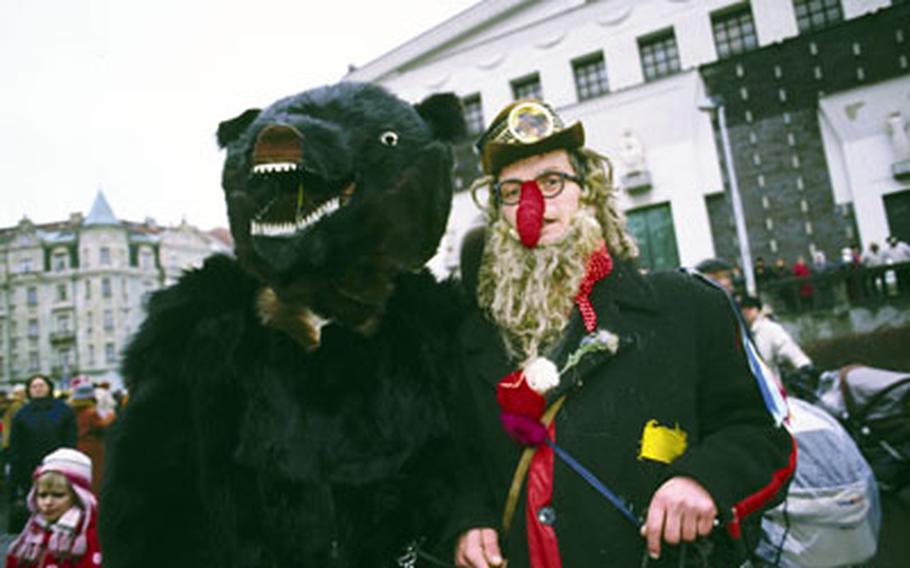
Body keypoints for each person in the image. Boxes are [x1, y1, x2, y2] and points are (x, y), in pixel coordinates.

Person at [450, 99, 794, 567]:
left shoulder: (687, 306)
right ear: (500, 214)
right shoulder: (477, 338)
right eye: (512, 191)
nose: (535, 205)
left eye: (552, 182)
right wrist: (469, 519)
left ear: (588, 193)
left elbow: (764, 434)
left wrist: (704, 480)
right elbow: (461, 459)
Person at [6, 448, 102, 568]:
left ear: (78, 497)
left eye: (58, 495)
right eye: (42, 495)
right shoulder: (33, 529)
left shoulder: (88, 534)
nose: (48, 502)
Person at [8, 375, 77, 533]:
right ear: (29, 391)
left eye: (41, 385)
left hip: (58, 464)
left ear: (49, 388)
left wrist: (69, 462)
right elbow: (15, 444)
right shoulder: (21, 414)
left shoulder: (64, 410)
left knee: (60, 501)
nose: (38, 389)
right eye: (34, 386)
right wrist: (15, 472)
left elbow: (70, 439)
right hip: (30, 467)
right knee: (36, 504)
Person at [739, 296, 813, 382]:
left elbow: (787, 347)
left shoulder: (770, 328)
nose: (746, 312)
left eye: (750, 308)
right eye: (743, 309)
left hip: (769, 385)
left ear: (757, 310)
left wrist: (803, 365)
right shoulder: (740, 332)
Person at [68, 382, 115, 494]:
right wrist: (111, 416)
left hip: (79, 445)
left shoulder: (72, 411)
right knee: (96, 477)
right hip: (93, 447)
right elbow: (102, 426)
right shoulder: (91, 412)